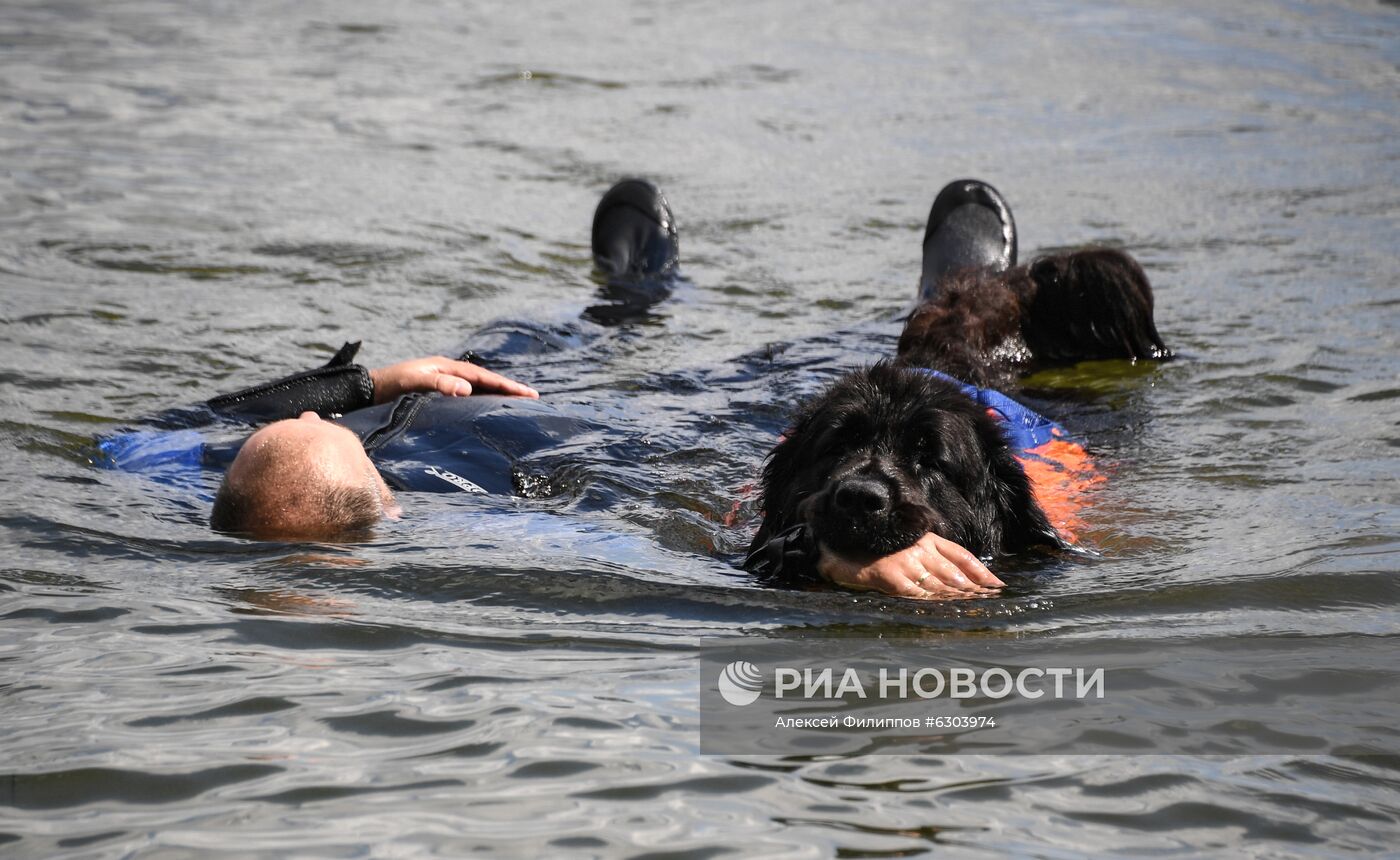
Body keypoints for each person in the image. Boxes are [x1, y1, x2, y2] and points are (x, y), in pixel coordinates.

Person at [100, 179, 1002, 599]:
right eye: (325, 427)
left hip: (466, 376)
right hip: (586, 425)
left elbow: (190, 420)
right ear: (385, 507)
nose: (307, 416)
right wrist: (834, 558)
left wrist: (369, 382)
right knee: (777, 381)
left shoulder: (204, 466)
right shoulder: (497, 528)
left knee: (555, 327)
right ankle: (945, 304)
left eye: (308, 417)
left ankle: (632, 285)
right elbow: (696, 571)